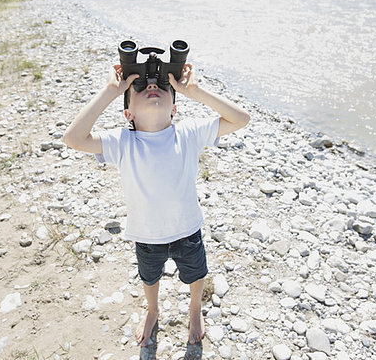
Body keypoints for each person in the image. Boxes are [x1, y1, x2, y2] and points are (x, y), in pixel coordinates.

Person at [62, 62, 250, 348]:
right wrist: (110, 91)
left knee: (196, 274)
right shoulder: (124, 141)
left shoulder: (187, 133)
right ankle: (153, 309)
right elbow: (72, 139)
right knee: (149, 278)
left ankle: (195, 307)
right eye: (140, 86)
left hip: (188, 230)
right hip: (146, 237)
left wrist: (196, 91)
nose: (153, 86)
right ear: (129, 113)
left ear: (174, 107)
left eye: (163, 86)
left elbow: (241, 119)